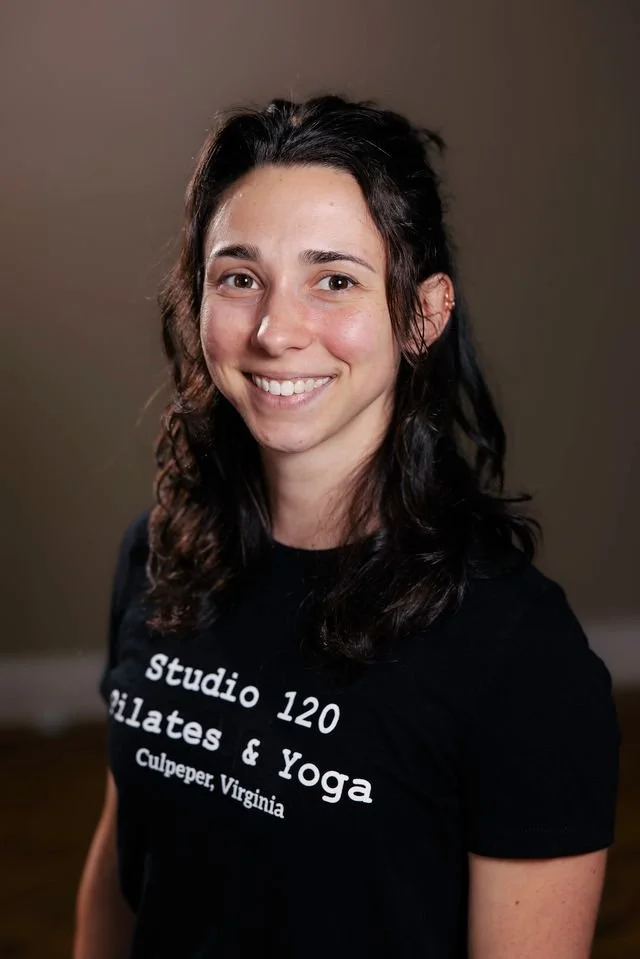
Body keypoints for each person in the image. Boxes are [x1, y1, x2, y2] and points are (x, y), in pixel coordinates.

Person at [74, 95, 619, 959]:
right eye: (239, 277)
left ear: (422, 315)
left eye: (334, 279)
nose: (276, 330)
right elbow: (123, 863)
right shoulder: (155, 555)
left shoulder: (519, 655)